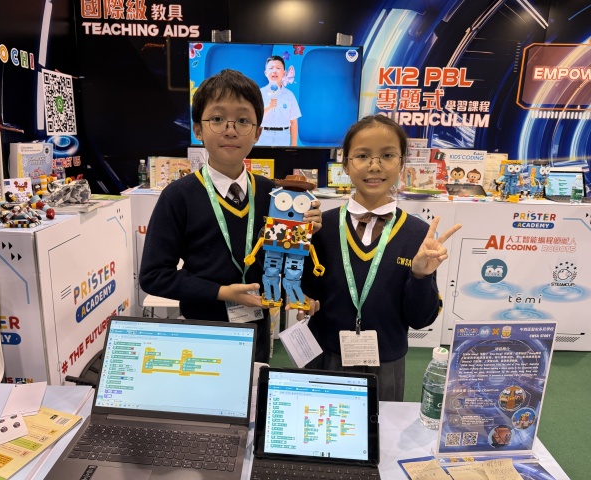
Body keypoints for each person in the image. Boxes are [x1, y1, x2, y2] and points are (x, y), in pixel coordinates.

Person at [139, 69, 322, 363]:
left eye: (243, 120)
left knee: (253, 388)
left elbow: (288, 258)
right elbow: (154, 276)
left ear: (258, 132)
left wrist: (308, 233)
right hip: (201, 332)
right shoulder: (178, 196)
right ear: (198, 129)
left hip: (257, 331)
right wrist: (222, 292)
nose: (230, 130)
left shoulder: (273, 194)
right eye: (217, 119)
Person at [302, 114, 461, 401]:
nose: (374, 166)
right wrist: (301, 246)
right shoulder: (321, 227)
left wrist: (420, 276)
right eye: (362, 156)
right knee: (319, 422)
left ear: (402, 163)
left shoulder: (418, 234)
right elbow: (305, 291)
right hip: (326, 354)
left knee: (382, 427)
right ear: (345, 164)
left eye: (387, 155)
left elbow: (420, 319)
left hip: (386, 362)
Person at [257, 56, 301, 147]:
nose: (274, 71)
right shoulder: (259, 93)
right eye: (271, 68)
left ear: (284, 73)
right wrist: (268, 107)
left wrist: (294, 144)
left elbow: (293, 122)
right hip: (263, 136)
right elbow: (255, 117)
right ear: (266, 73)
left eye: (278, 68)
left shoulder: (289, 95)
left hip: (283, 137)